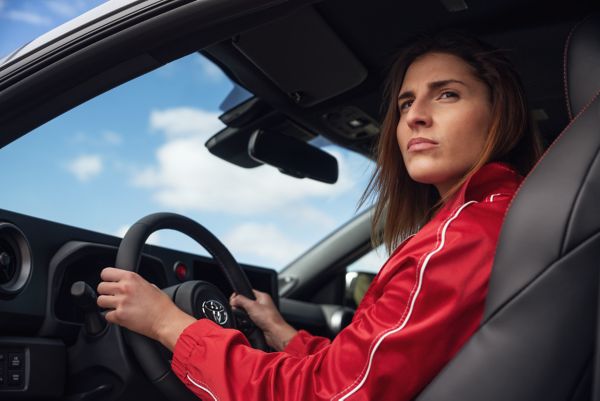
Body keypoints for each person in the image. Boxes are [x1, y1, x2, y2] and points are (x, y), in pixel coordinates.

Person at [96, 32, 543, 401]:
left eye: (447, 94)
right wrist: (280, 331)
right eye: (406, 103)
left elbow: (326, 396)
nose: (416, 117)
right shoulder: (492, 219)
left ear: (499, 114)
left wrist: (166, 323)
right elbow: (359, 371)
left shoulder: (460, 239)